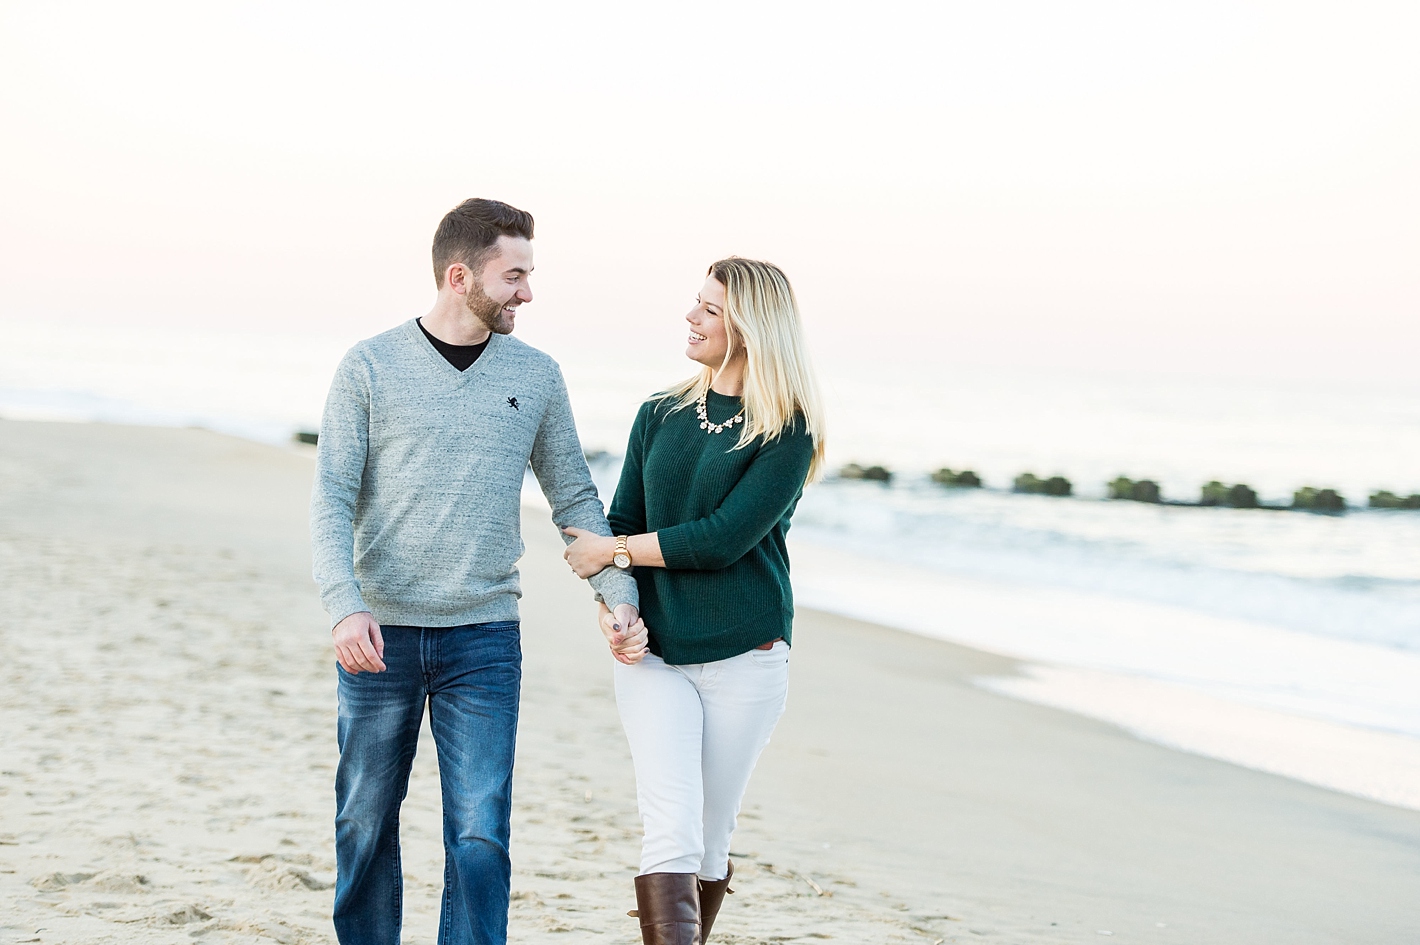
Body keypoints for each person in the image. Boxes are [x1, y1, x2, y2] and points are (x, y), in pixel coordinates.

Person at [310, 198, 646, 945]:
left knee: (480, 836)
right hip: (380, 636)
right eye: (514, 275)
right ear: (461, 275)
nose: (528, 292)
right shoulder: (368, 365)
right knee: (363, 820)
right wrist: (344, 604)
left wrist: (617, 594)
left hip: (484, 639)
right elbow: (331, 494)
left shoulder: (537, 374)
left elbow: (576, 496)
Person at [563, 257, 826, 944]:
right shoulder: (660, 412)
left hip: (747, 653)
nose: (691, 316)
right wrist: (613, 609)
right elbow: (620, 519)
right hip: (653, 654)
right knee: (671, 822)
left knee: (711, 833)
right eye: (697, 302)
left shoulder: (787, 429)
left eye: (710, 308)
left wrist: (611, 554)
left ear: (751, 327)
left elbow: (721, 540)